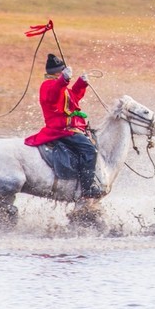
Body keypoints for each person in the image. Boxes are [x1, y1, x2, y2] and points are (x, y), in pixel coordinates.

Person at [24, 53, 104, 199]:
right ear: (58, 72)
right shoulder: (48, 85)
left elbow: (72, 99)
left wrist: (81, 83)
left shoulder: (59, 85)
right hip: (59, 130)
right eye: (62, 71)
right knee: (90, 150)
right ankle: (87, 189)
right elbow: (54, 96)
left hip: (69, 128)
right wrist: (63, 80)